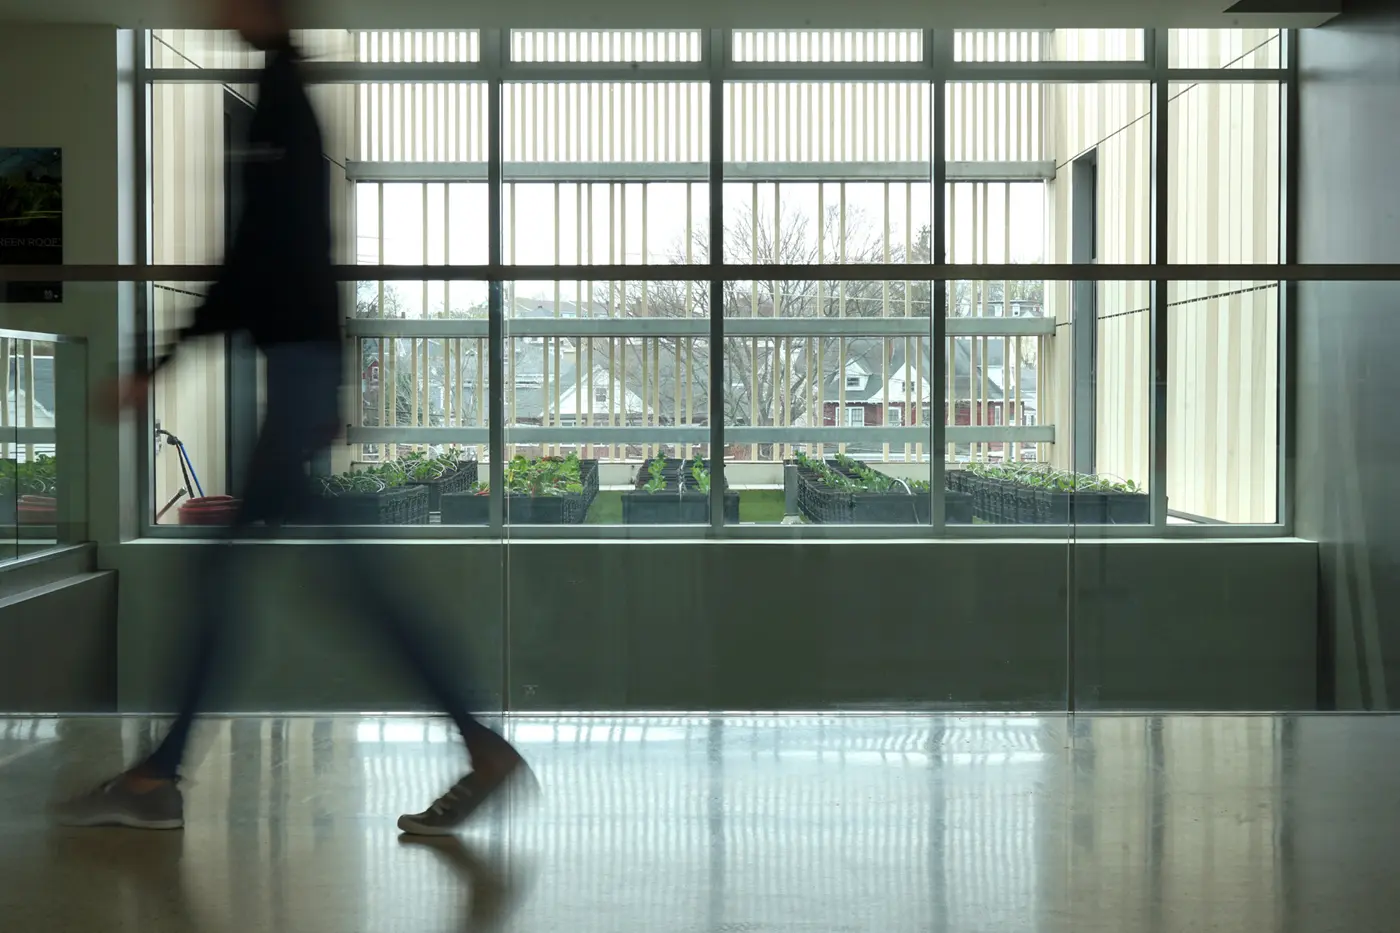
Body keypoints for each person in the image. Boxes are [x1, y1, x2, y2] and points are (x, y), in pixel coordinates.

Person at [56, 0, 532, 835]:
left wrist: (162, 363)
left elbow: (262, 256)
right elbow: (293, 249)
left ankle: (160, 778)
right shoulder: (282, 90)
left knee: (250, 583)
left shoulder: (281, 99)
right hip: (300, 372)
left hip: (298, 373)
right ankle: (476, 742)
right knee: (336, 583)